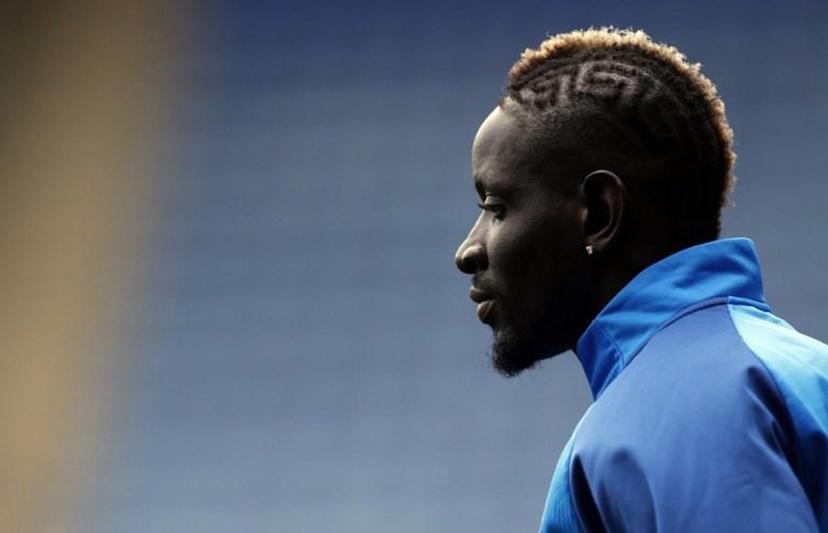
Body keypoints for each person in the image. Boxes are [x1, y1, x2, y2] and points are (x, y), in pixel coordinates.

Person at [454, 27, 828, 532]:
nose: (468, 251)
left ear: (597, 214)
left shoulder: (676, 412)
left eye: (496, 207)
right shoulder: (800, 368)